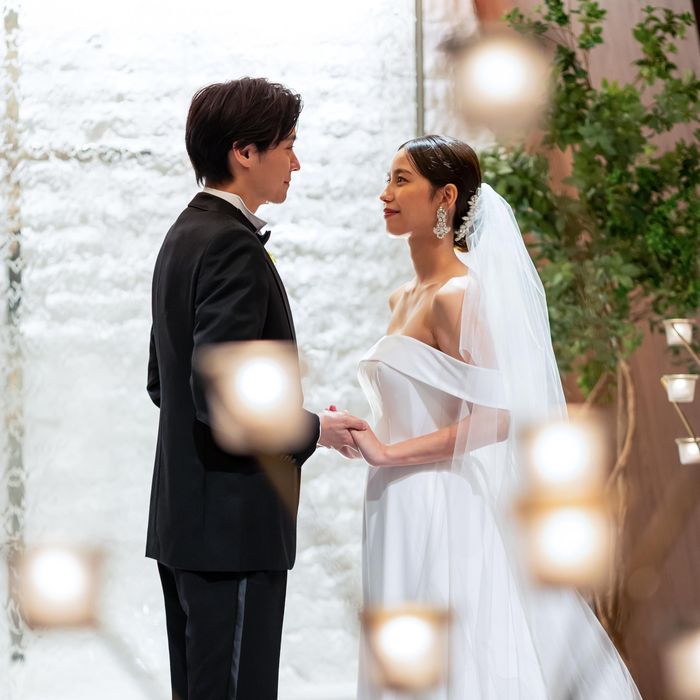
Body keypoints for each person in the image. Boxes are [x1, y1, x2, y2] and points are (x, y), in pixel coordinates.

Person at [349, 135, 642, 699]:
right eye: (388, 179)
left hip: (442, 503)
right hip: (394, 500)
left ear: (446, 197)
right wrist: (363, 436)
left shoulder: (458, 296)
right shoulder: (402, 298)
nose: (385, 194)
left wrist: (388, 453)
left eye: (401, 180)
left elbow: (497, 418)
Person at [146, 77, 366, 700]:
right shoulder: (231, 247)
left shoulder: (183, 235)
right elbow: (226, 404)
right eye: (288, 145)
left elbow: (164, 382)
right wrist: (315, 429)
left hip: (187, 527)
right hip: (232, 536)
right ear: (245, 152)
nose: (297, 162)